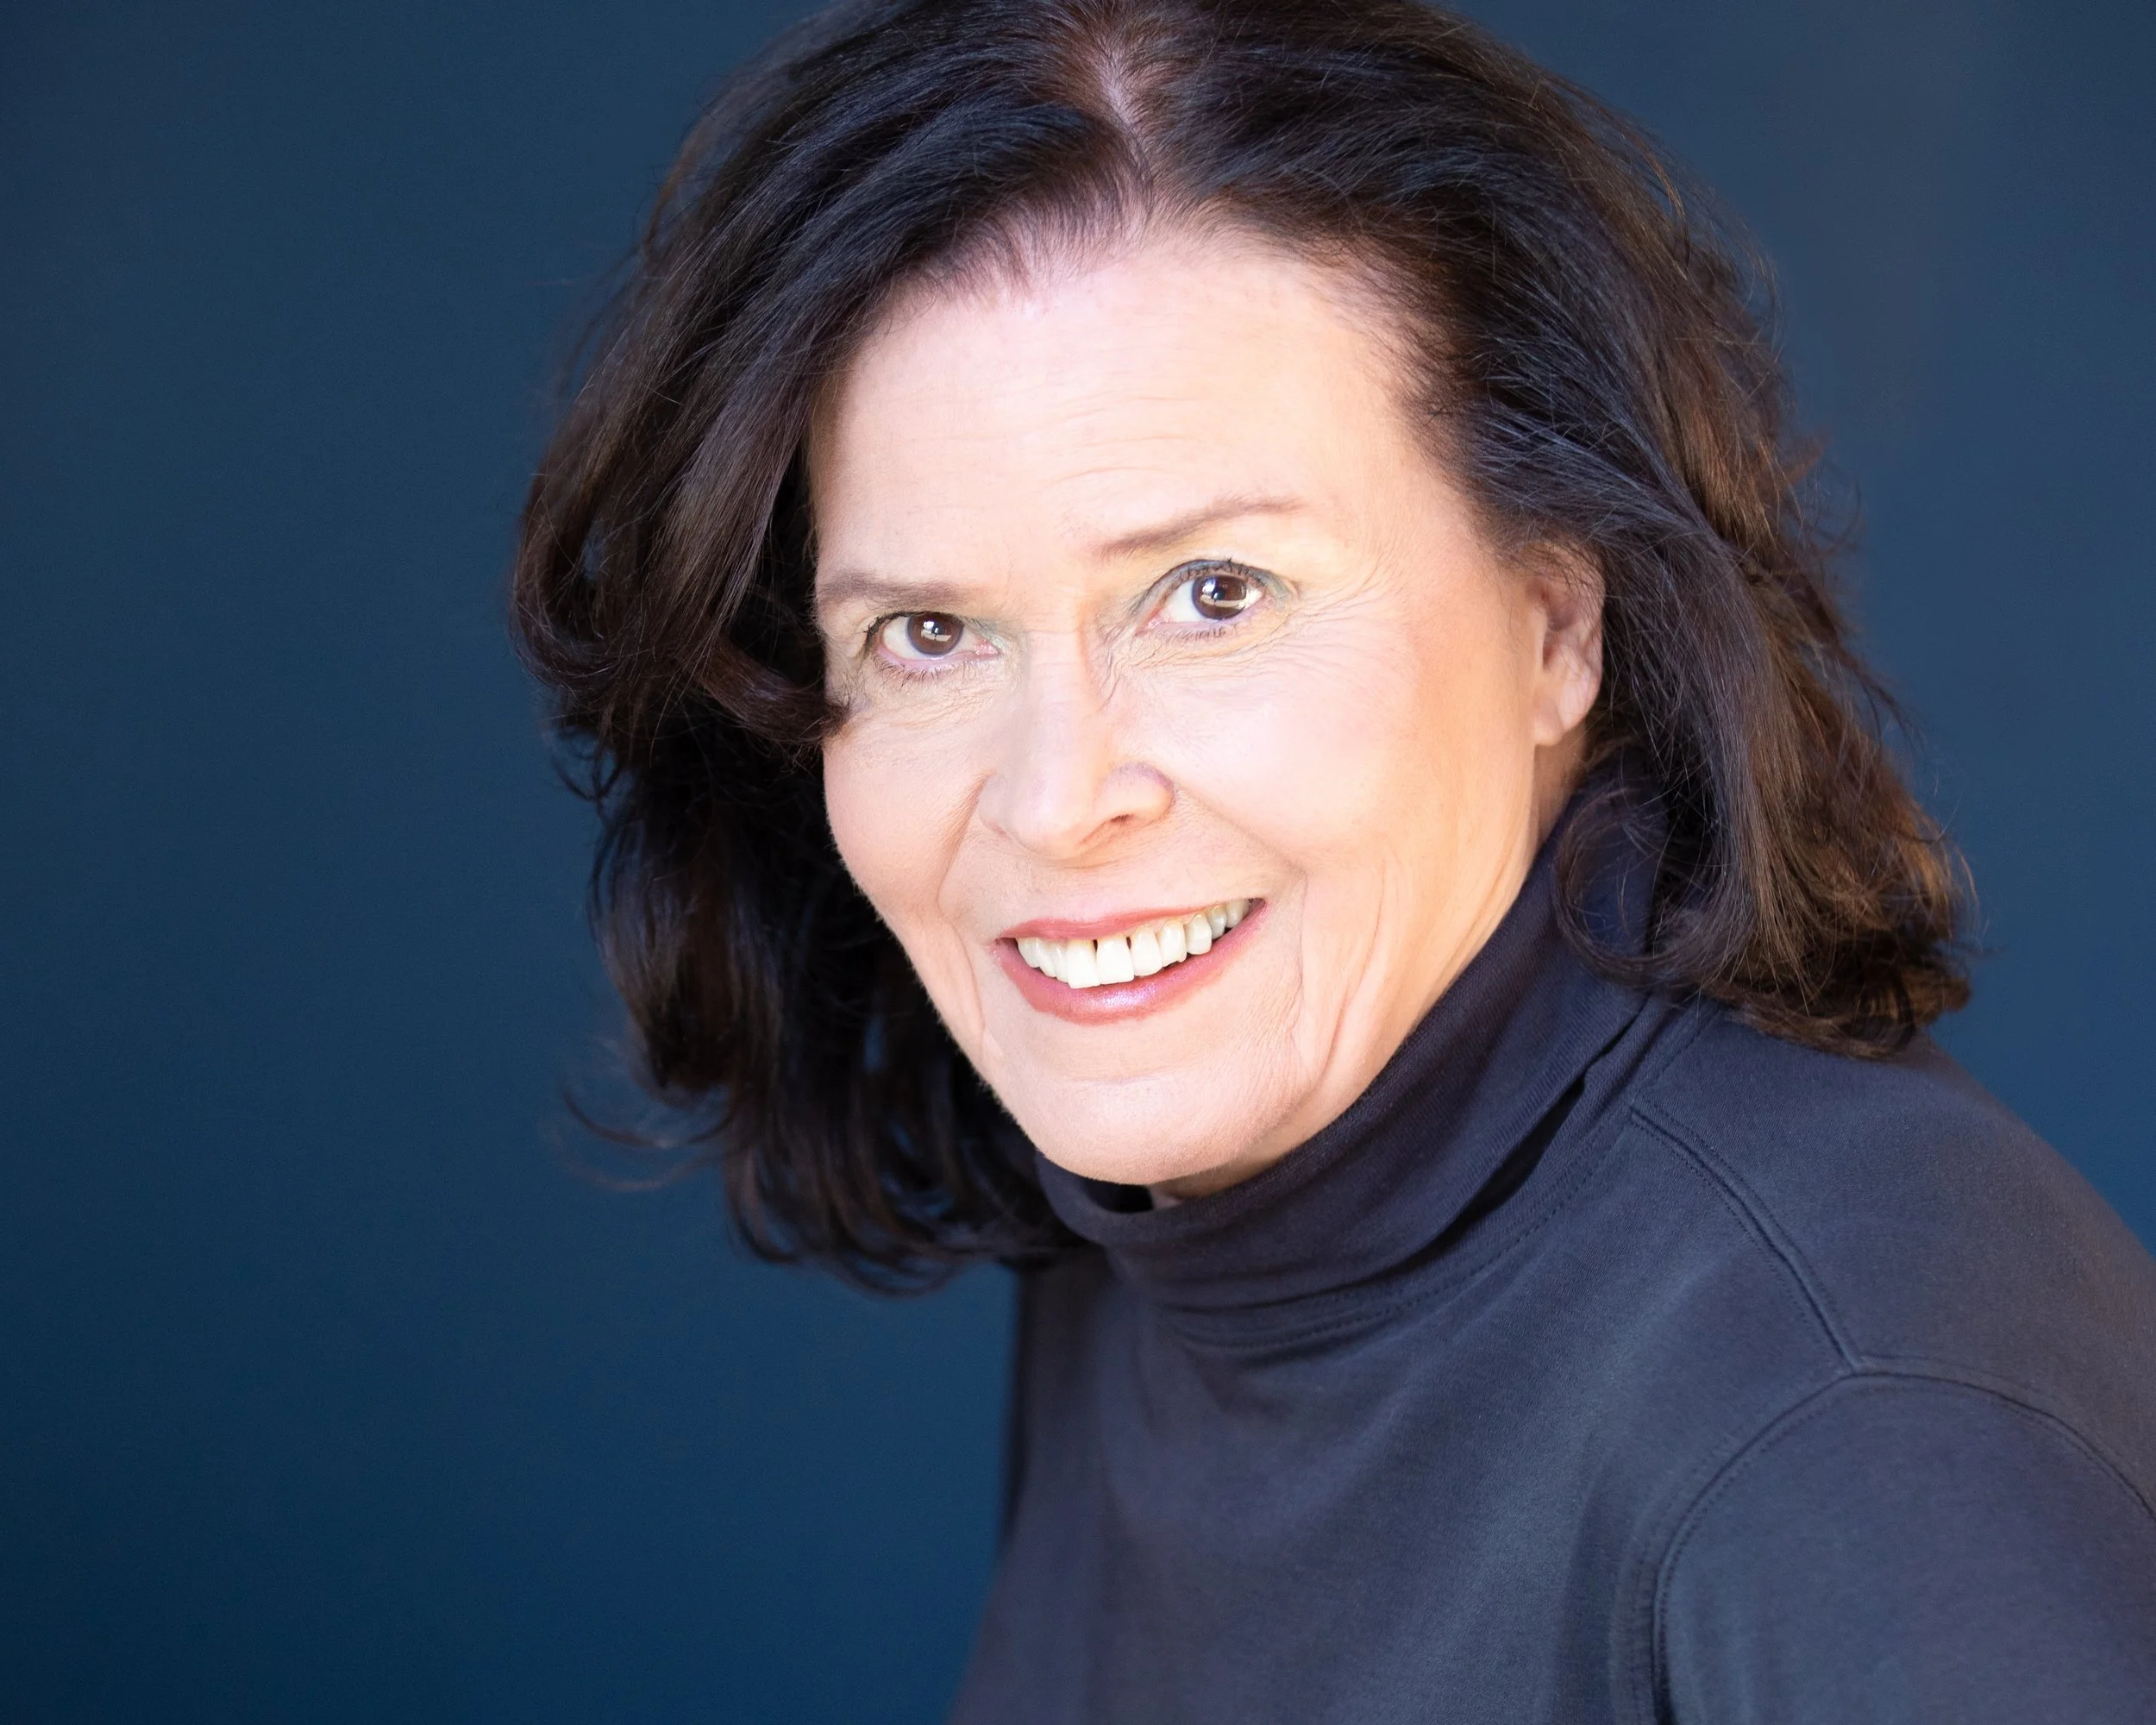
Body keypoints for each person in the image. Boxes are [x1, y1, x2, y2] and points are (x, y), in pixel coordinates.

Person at [511, 0, 2156, 1716]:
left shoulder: (1853, 1419)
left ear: (1552, 621)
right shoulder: (1196, 1191)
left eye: (1214, 594)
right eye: (930, 633)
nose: (1055, 799)